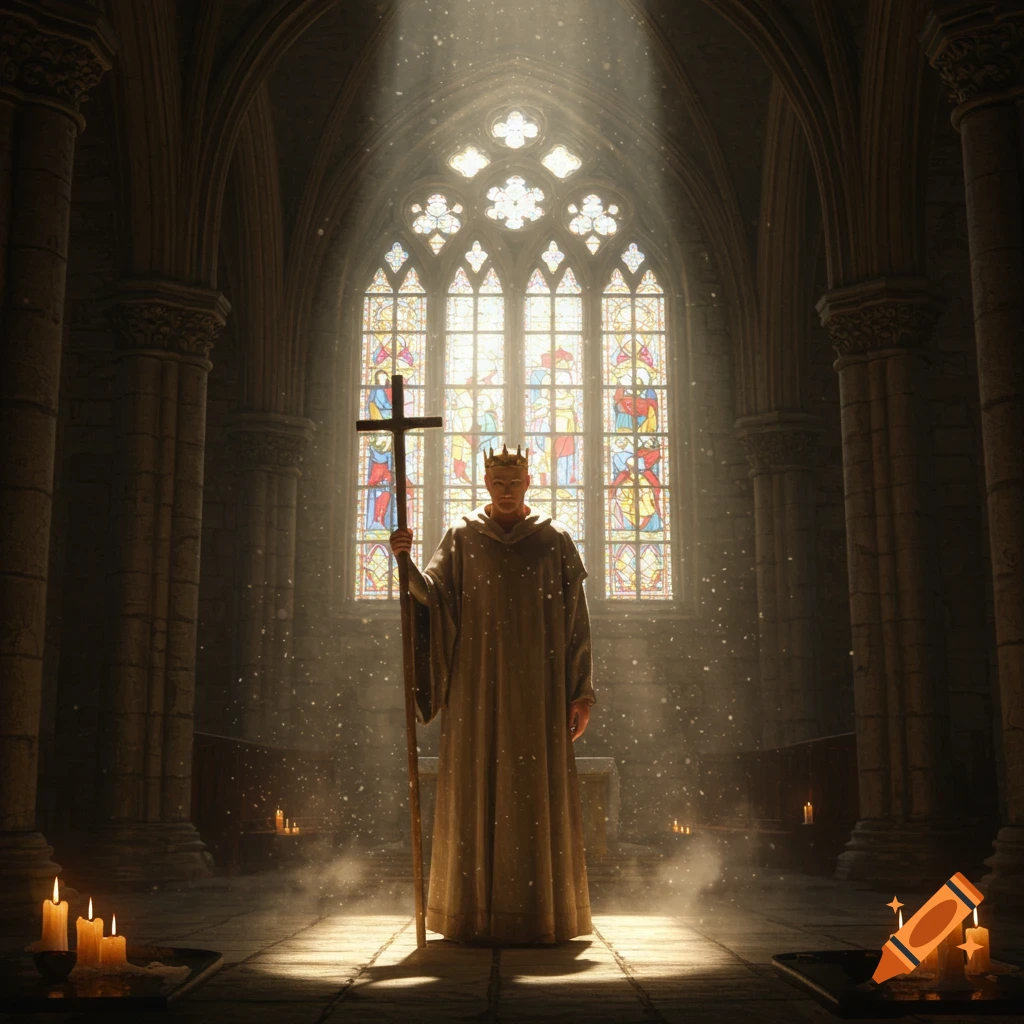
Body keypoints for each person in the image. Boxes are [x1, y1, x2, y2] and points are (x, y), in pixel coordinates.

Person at [389, 443, 595, 944]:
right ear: (485, 484)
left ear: (529, 483)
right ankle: (470, 912)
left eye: (514, 482)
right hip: (475, 685)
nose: (506, 491)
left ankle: (541, 913)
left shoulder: (553, 539)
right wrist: (405, 561)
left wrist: (582, 691)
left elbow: (576, 620)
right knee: (474, 787)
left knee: (534, 792)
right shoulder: (463, 537)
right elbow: (432, 599)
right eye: (497, 483)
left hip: (539, 687)